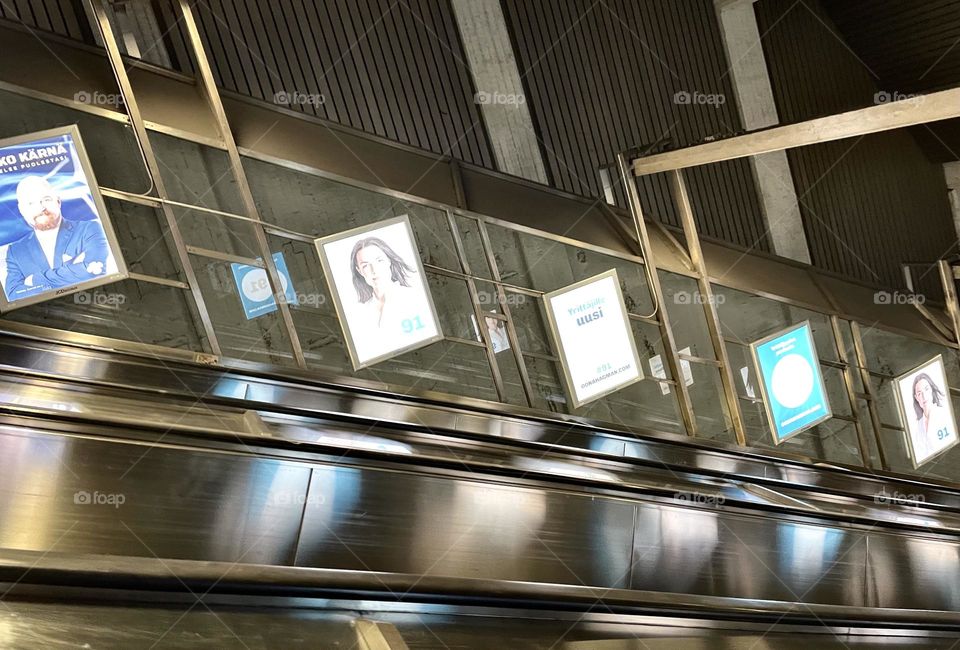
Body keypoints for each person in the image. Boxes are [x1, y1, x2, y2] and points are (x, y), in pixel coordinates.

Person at [4, 176, 109, 299]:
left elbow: (94, 270)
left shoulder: (89, 229)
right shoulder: (15, 251)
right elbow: (13, 295)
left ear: (58, 201)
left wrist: (33, 280)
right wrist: (74, 272)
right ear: (22, 210)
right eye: (31, 203)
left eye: (46, 199)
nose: (40, 208)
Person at [348, 236, 433, 355]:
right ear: (359, 271)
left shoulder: (415, 298)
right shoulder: (359, 313)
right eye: (366, 265)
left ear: (388, 261)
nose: (374, 270)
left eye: (379, 260)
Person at [910, 372, 955, 460]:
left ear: (931, 390)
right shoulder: (918, 426)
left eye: (926, 389)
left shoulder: (944, 415)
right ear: (916, 398)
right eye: (919, 393)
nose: (924, 396)